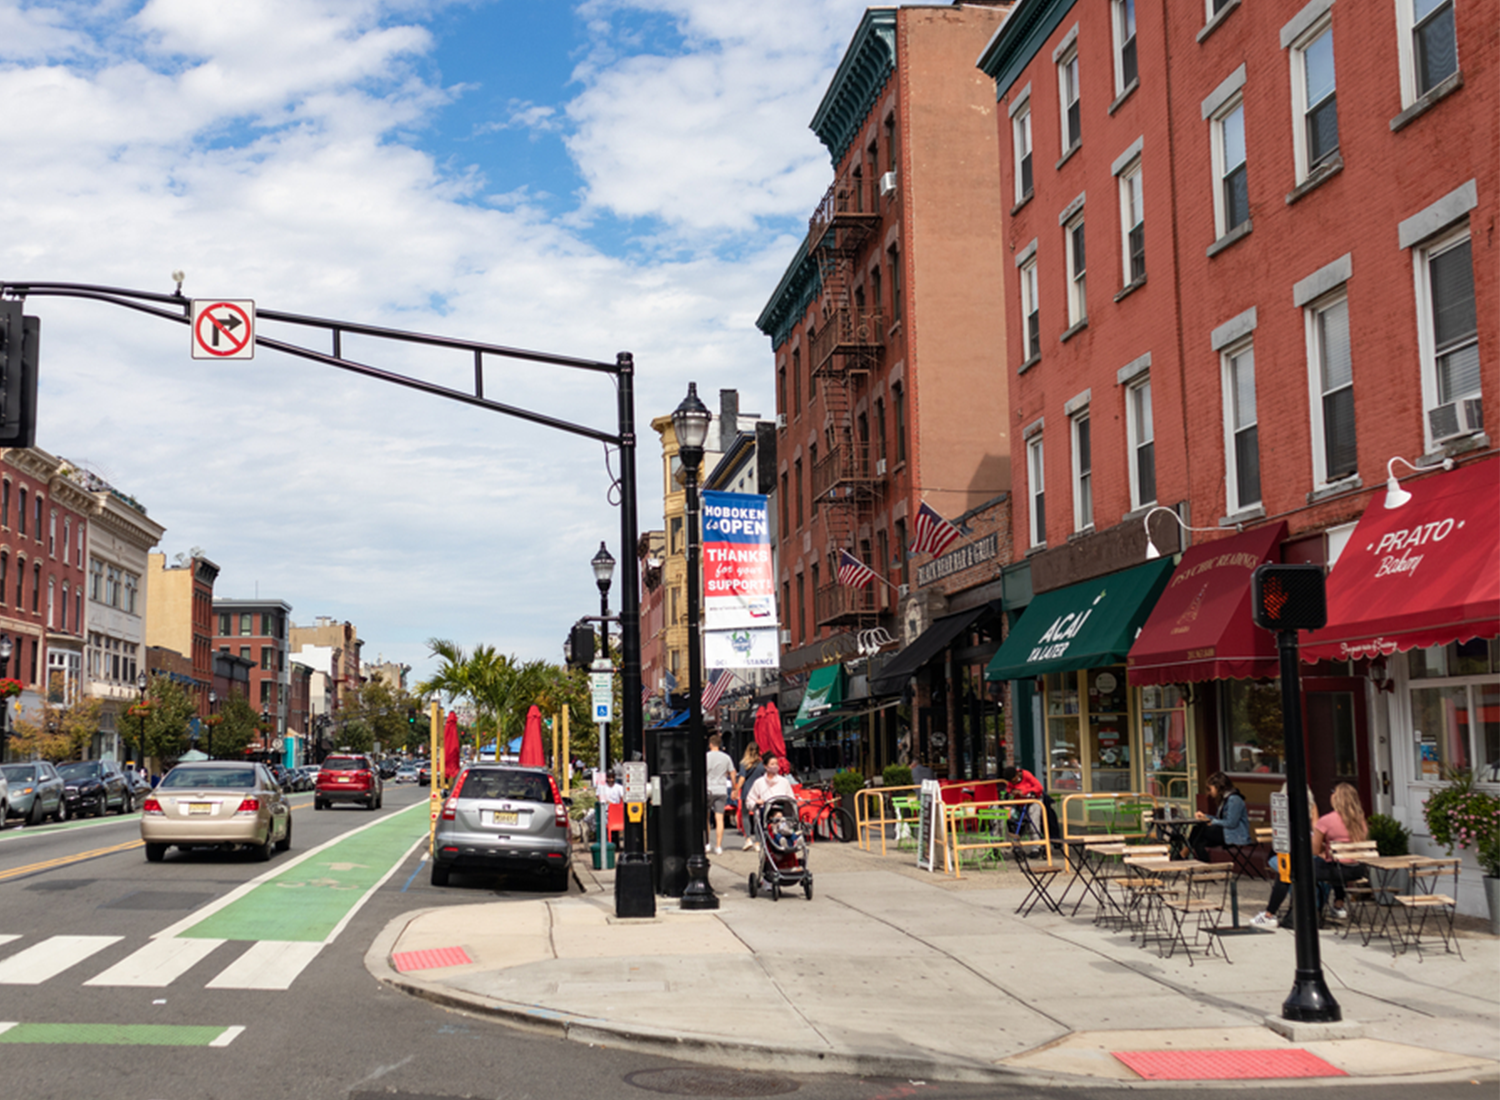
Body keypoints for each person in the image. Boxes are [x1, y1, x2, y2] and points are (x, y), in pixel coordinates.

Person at [1250, 784, 1317, 929]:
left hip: (1303, 855)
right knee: (1286, 870)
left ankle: (1295, 912)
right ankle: (1287, 912)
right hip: (1282, 855)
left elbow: (1316, 832)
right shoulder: (1283, 813)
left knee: (1298, 871)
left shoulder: (1311, 809)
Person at [1313, 782, 1368, 920]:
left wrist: (1322, 852)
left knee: (1308, 867)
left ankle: (1315, 909)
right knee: (1336, 864)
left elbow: (1314, 849)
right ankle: (1339, 905)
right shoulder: (1360, 819)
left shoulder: (1326, 820)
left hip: (1337, 869)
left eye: (1334, 792)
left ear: (1337, 798)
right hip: (1358, 869)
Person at [1190, 771, 1248, 863]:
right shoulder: (1223, 799)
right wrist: (1206, 817)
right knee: (1198, 841)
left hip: (1234, 835)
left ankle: (1182, 854)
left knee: (1200, 829)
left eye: (1210, 789)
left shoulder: (1234, 799)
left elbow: (1231, 823)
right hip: (1224, 833)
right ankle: (1206, 868)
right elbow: (1220, 819)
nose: (1209, 793)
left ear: (1218, 787)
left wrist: (1212, 822)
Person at [744, 755, 795, 849]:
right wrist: (756, 803)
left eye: (776, 764)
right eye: (772, 764)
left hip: (783, 814)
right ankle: (780, 839)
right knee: (773, 822)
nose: (775, 766)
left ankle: (792, 839)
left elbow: (791, 799)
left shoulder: (784, 782)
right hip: (766, 815)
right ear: (765, 766)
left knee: (783, 822)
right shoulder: (759, 783)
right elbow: (749, 800)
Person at [705, 734, 734, 856]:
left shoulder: (706, 757)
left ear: (710, 744)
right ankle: (718, 846)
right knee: (719, 818)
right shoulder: (726, 757)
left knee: (705, 818)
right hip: (721, 789)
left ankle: (707, 844)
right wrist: (735, 788)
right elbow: (732, 772)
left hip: (708, 788)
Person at [735, 744, 764, 849]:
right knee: (758, 817)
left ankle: (748, 839)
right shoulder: (761, 764)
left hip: (747, 791)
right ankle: (757, 842)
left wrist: (736, 790)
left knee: (745, 815)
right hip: (758, 793)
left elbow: (742, 778)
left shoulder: (744, 764)